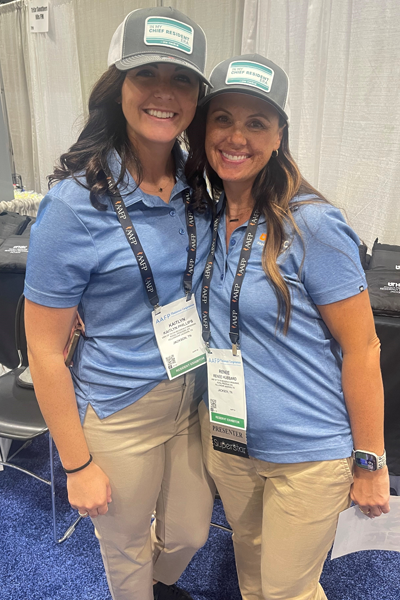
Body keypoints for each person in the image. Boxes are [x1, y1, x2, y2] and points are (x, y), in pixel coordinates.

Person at [24, 8, 215, 600]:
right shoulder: (73, 204)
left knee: (190, 533)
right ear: (117, 88)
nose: (164, 92)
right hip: (119, 410)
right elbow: (44, 349)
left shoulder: (201, 181)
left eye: (181, 79)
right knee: (125, 549)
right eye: (146, 75)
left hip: (192, 396)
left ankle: (160, 585)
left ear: (197, 98)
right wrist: (77, 466)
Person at [184, 54, 390, 600]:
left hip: (307, 457)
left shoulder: (312, 224)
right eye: (223, 118)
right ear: (204, 129)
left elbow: (364, 347)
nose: (237, 136)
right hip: (230, 442)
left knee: (287, 591)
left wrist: (371, 461)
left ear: (279, 136)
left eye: (257, 123)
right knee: (252, 573)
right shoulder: (203, 217)